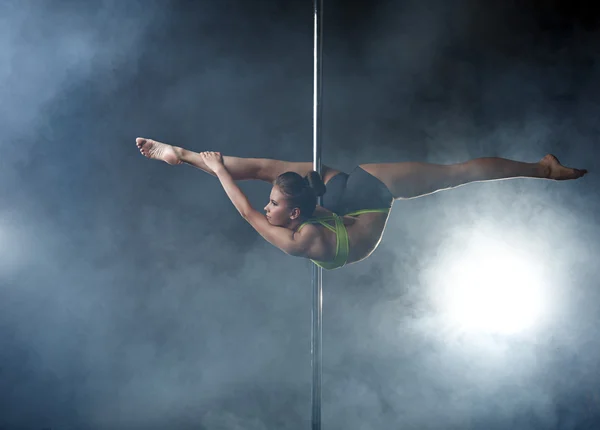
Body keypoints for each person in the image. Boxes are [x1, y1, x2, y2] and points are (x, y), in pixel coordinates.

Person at [135, 137, 587, 270]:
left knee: (457, 176)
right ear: (298, 212)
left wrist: (216, 169)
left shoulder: (303, 238)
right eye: (273, 205)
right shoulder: (306, 222)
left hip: (366, 199)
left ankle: (545, 169)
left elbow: (245, 211)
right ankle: (184, 155)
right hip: (353, 194)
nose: (266, 208)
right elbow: (248, 207)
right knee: (264, 168)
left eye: (274, 205)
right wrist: (214, 169)